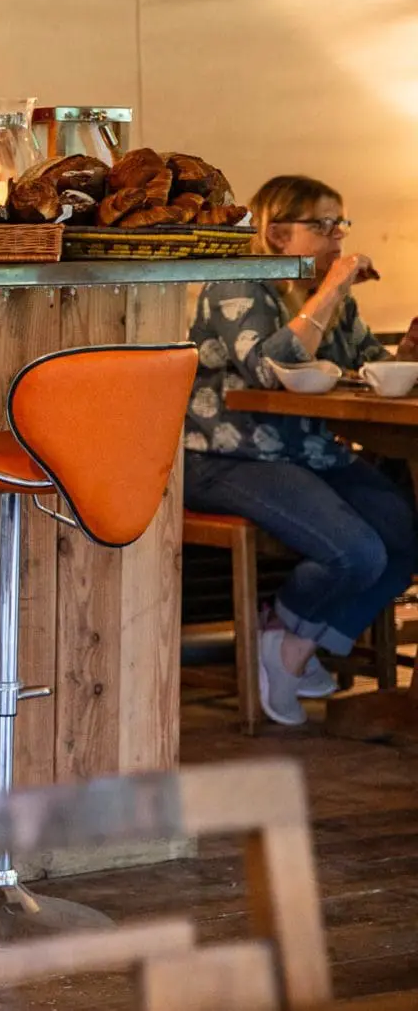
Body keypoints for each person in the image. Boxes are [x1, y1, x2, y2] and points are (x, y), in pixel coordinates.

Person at [183, 174, 418, 726]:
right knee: (357, 551)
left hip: (308, 451)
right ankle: (285, 637)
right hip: (226, 455)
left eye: (341, 223)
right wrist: (334, 286)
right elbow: (268, 370)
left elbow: (361, 367)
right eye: (323, 224)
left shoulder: (331, 298)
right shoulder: (236, 284)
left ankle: (294, 638)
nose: (338, 237)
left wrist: (404, 352)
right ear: (277, 232)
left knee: (406, 534)